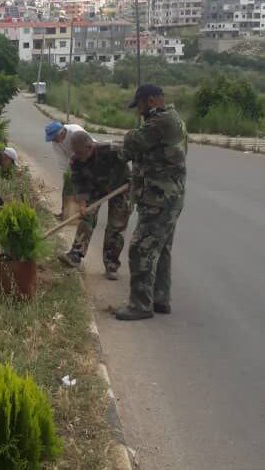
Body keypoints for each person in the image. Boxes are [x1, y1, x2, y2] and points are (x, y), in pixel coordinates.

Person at [115, 84, 187, 321]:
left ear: (153, 101)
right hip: (169, 196)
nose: (139, 112)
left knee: (141, 248)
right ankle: (160, 299)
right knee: (162, 248)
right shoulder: (172, 119)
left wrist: (127, 139)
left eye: (141, 106)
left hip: (159, 197)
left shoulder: (161, 122)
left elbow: (132, 143)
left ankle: (140, 305)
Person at [58, 131, 131, 280]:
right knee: (86, 217)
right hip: (95, 189)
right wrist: (83, 203)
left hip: (121, 187)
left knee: (116, 226)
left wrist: (136, 177)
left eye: (80, 152)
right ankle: (76, 255)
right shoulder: (75, 161)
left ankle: (111, 265)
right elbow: (78, 183)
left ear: (90, 147)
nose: (77, 156)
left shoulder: (111, 149)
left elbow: (135, 153)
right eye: (75, 152)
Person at [44, 121, 89, 218]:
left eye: (54, 138)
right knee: (68, 186)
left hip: (90, 158)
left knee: (86, 187)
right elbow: (63, 163)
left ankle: (85, 214)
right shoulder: (56, 143)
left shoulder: (75, 132)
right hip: (75, 162)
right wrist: (68, 178)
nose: (54, 141)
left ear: (61, 133)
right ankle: (65, 213)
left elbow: (89, 149)